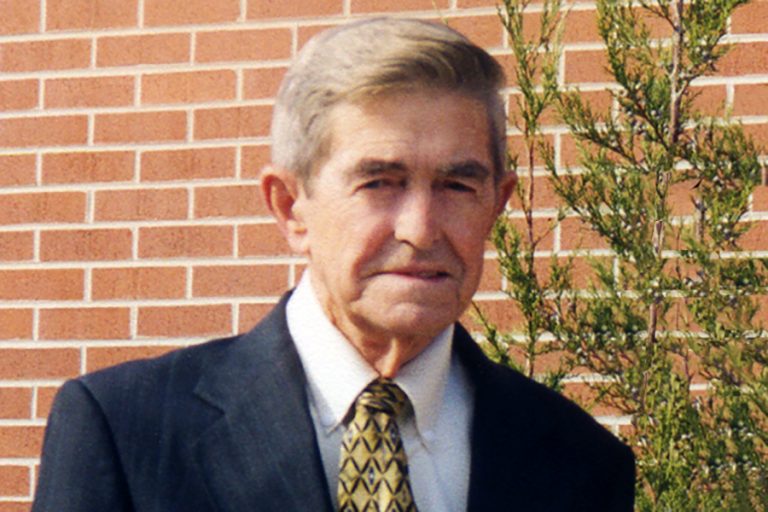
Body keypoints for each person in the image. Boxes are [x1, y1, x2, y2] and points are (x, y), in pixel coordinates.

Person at [32, 18, 635, 512]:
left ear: (496, 205)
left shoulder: (579, 462)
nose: (420, 229)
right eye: (380, 182)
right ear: (290, 207)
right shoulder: (127, 433)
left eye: (457, 185)